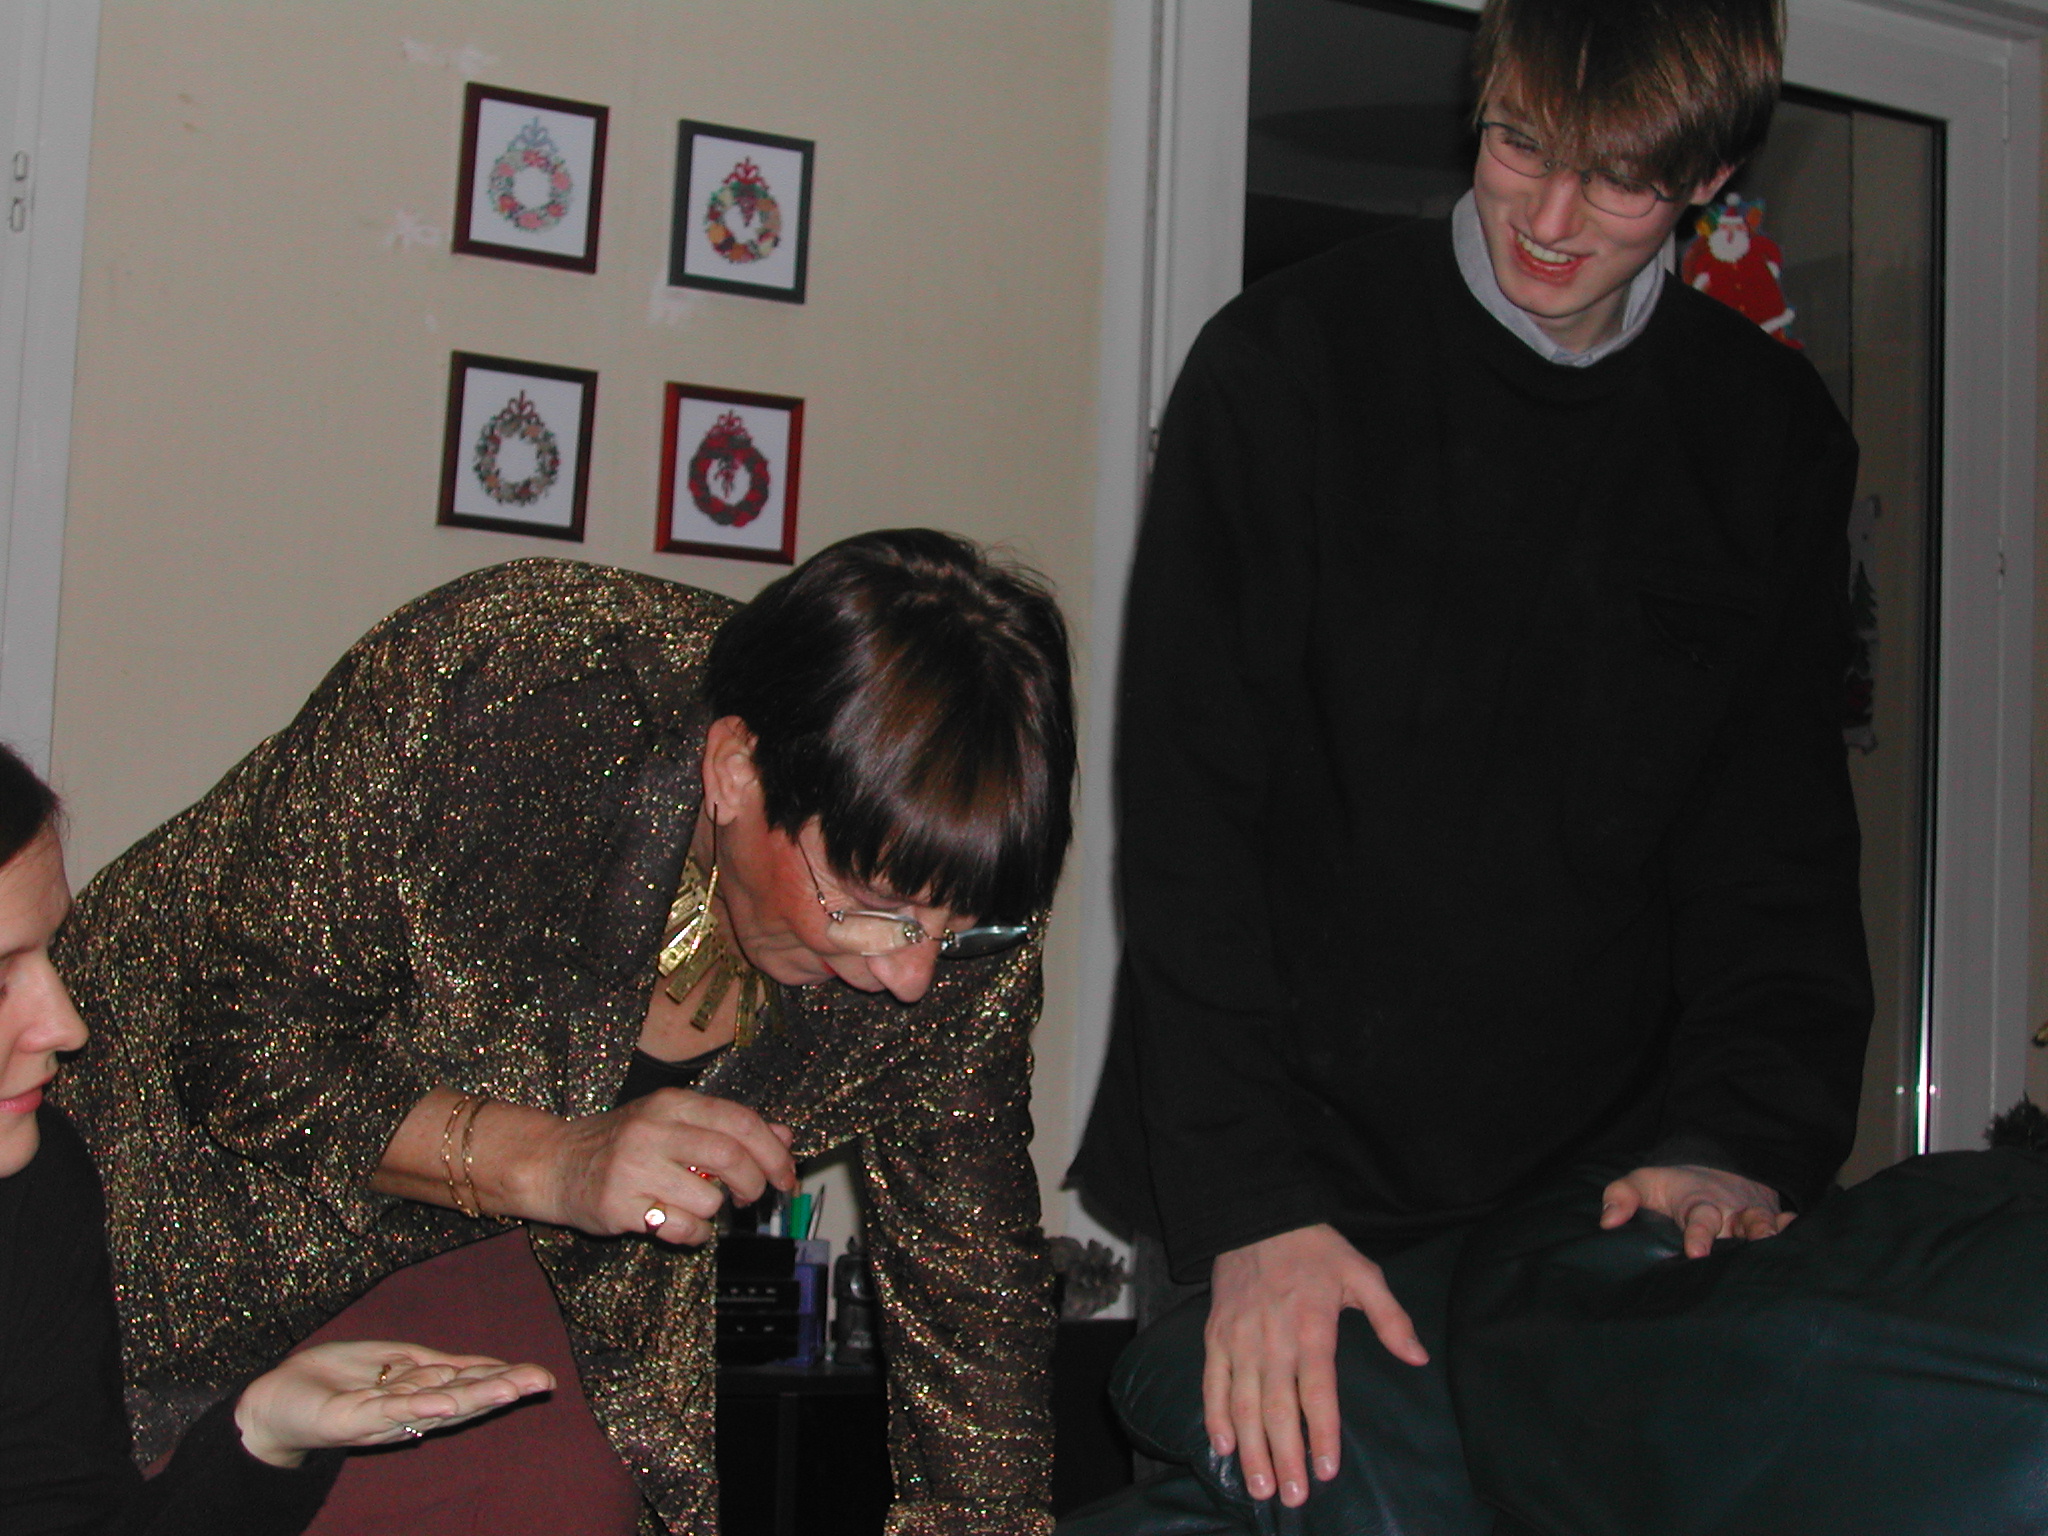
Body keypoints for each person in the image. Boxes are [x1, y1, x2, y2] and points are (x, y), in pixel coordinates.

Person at [1068, 0, 1870, 1528]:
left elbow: (1775, 850)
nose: (1549, 220)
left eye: (1617, 179)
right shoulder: (1285, 366)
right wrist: (1253, 1207)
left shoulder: (1766, 439)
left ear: (1709, 177)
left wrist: (1738, 1140)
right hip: (1280, 1163)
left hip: (1599, 1195)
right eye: (1517, 147)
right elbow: (1189, 826)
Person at [53, 530, 1075, 1535]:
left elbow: (971, 1294)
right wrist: (555, 1163)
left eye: (959, 927)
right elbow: (244, 1044)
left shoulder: (956, 895)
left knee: (551, 1497)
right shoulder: (513, 684)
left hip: (501, 1268)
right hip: (158, 1184)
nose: (912, 976)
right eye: (869, 907)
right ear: (735, 769)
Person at [0, 741, 554, 1535]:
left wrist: (263, 1435)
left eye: (50, 954)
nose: (65, 1026)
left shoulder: (36, 1188)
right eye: (0, 979)